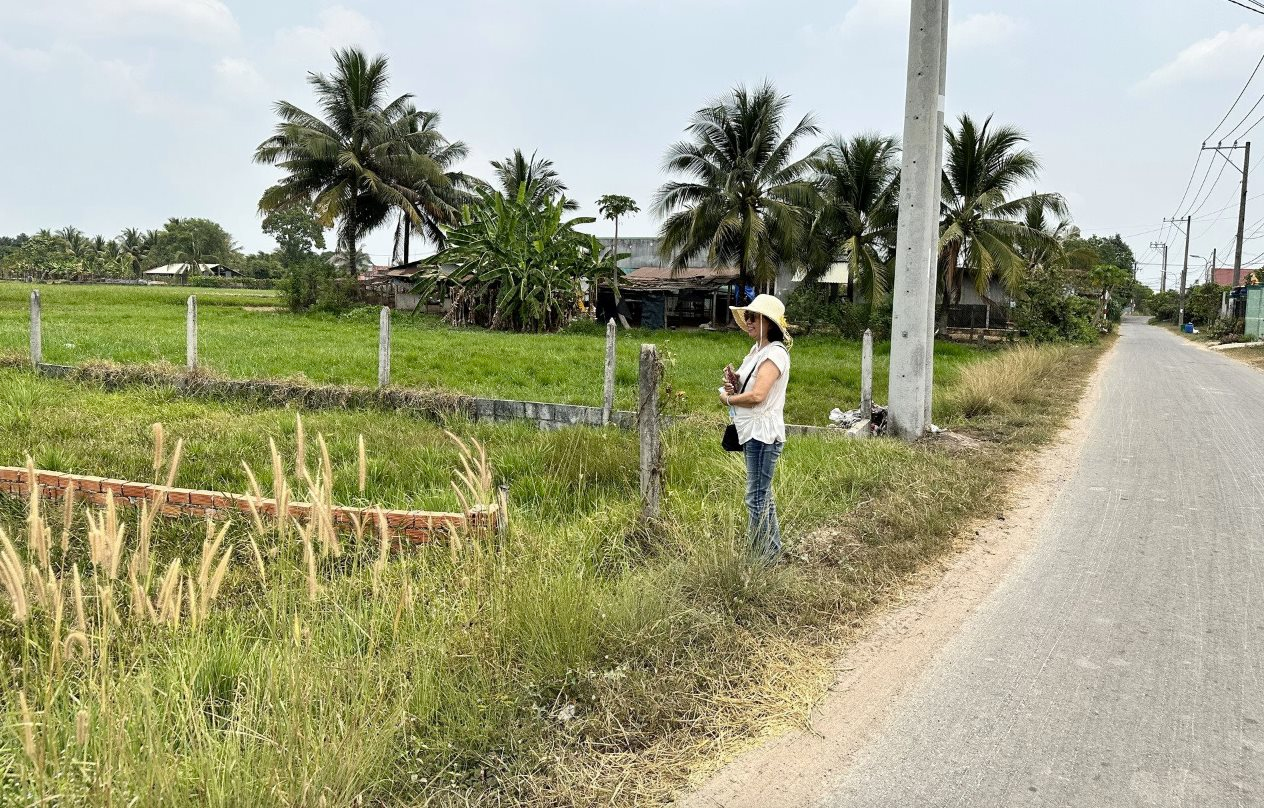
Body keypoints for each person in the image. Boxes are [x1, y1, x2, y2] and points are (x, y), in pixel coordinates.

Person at [720, 294, 792, 561]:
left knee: (756, 498)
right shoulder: (756, 352)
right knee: (762, 495)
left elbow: (758, 396)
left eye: (754, 317)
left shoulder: (775, 354)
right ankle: (771, 552)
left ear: (767, 322)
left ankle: (763, 557)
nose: (748, 322)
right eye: (747, 317)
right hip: (751, 431)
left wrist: (727, 398)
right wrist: (734, 382)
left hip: (763, 433)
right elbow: (748, 387)